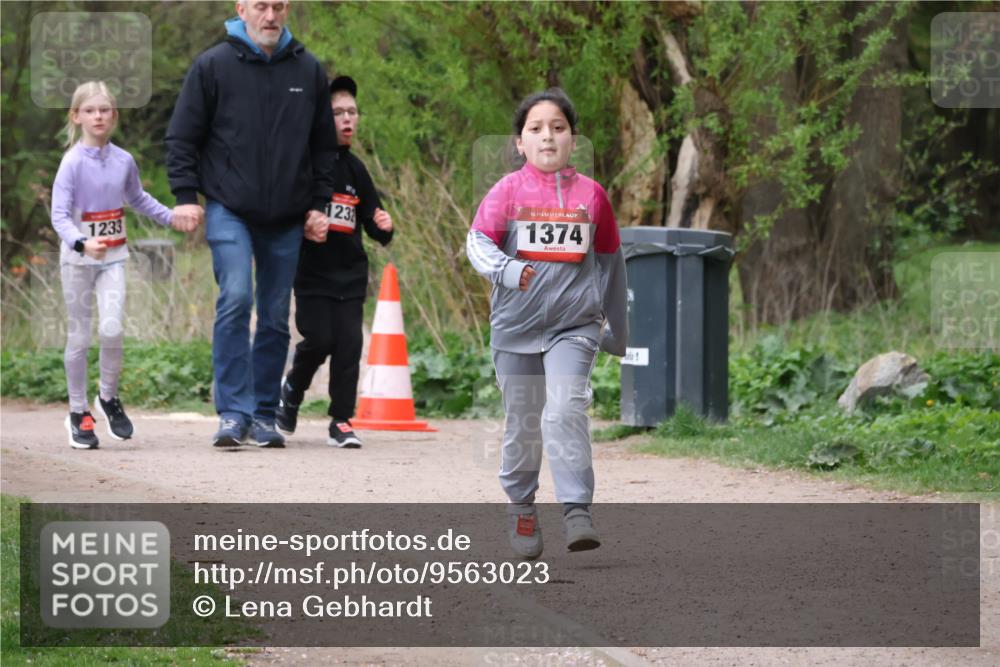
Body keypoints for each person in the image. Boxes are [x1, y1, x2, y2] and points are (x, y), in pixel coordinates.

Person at [165, 0, 337, 448]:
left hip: (287, 214)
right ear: (241, 9)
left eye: (279, 6)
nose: (270, 16)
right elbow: (183, 136)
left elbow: (324, 147)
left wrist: (320, 203)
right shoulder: (213, 65)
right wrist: (186, 196)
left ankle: (263, 414)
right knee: (237, 297)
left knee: (277, 315)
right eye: (261, 5)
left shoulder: (309, 70)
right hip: (229, 207)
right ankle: (232, 413)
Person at [466, 88, 628, 558]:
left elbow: (612, 266)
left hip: (574, 327)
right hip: (515, 330)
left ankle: (577, 509)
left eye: (558, 128)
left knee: (564, 409)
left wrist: (618, 330)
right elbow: (477, 244)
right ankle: (521, 506)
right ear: (520, 142)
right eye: (535, 129)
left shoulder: (593, 197)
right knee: (523, 423)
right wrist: (508, 268)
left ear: (573, 139)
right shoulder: (507, 191)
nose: (548, 137)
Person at [51, 81, 197, 449]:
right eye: (90, 110)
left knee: (113, 328)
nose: (98, 116)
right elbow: (59, 216)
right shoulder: (71, 163)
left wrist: (172, 217)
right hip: (78, 261)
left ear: (114, 115)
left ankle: (108, 397)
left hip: (114, 258)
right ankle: (77, 411)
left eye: (104, 109)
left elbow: (138, 199)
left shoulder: (123, 161)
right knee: (81, 336)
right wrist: (83, 242)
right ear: (77, 116)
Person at [275, 75, 394, 448]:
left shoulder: (357, 169)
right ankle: (292, 388)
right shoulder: (304, 164)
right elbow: (282, 214)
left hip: (351, 275)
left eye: (352, 112)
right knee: (320, 338)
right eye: (338, 112)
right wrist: (306, 222)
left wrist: (384, 225)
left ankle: (341, 420)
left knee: (348, 347)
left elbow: (374, 219)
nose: (347, 119)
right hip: (312, 274)